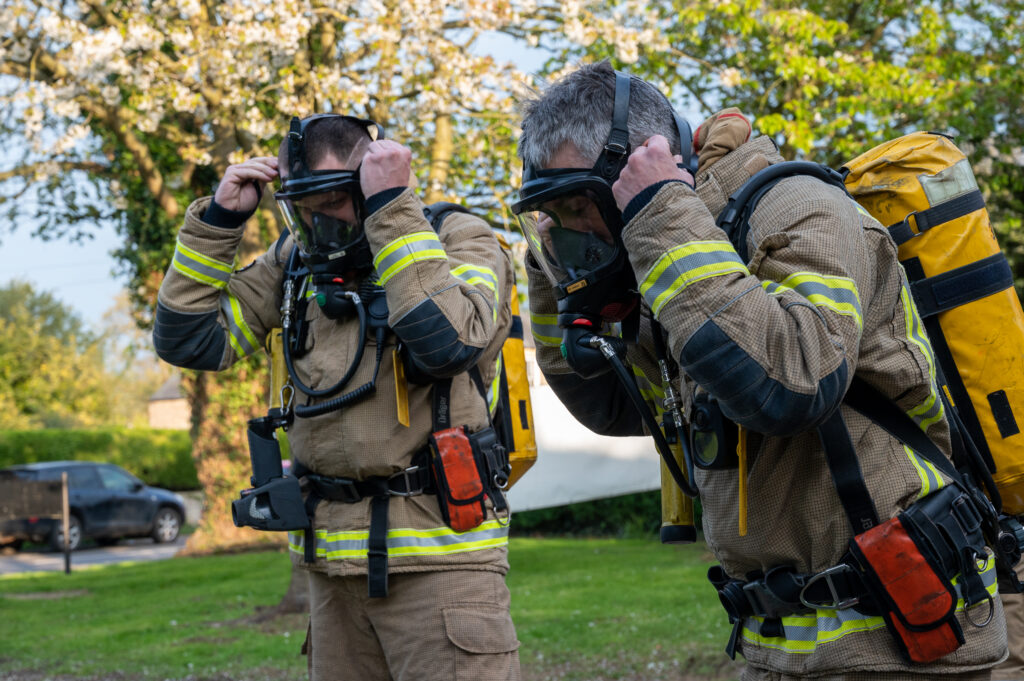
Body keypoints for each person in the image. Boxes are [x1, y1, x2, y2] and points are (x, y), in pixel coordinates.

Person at [513, 61, 1007, 679]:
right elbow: (616, 404)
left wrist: (661, 218)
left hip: (900, 643)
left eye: (574, 208)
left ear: (640, 165)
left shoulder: (797, 209)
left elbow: (797, 381)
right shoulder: (684, 252)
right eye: (550, 216)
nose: (571, 233)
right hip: (781, 649)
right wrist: (553, 280)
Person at [153, 113, 520, 681]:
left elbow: (449, 343)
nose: (320, 225)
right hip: (330, 573)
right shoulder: (295, 266)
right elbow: (193, 341)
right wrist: (219, 223)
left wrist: (391, 210)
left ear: (371, 183)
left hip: (443, 568)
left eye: (333, 203)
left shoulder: (458, 239)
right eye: (304, 209)